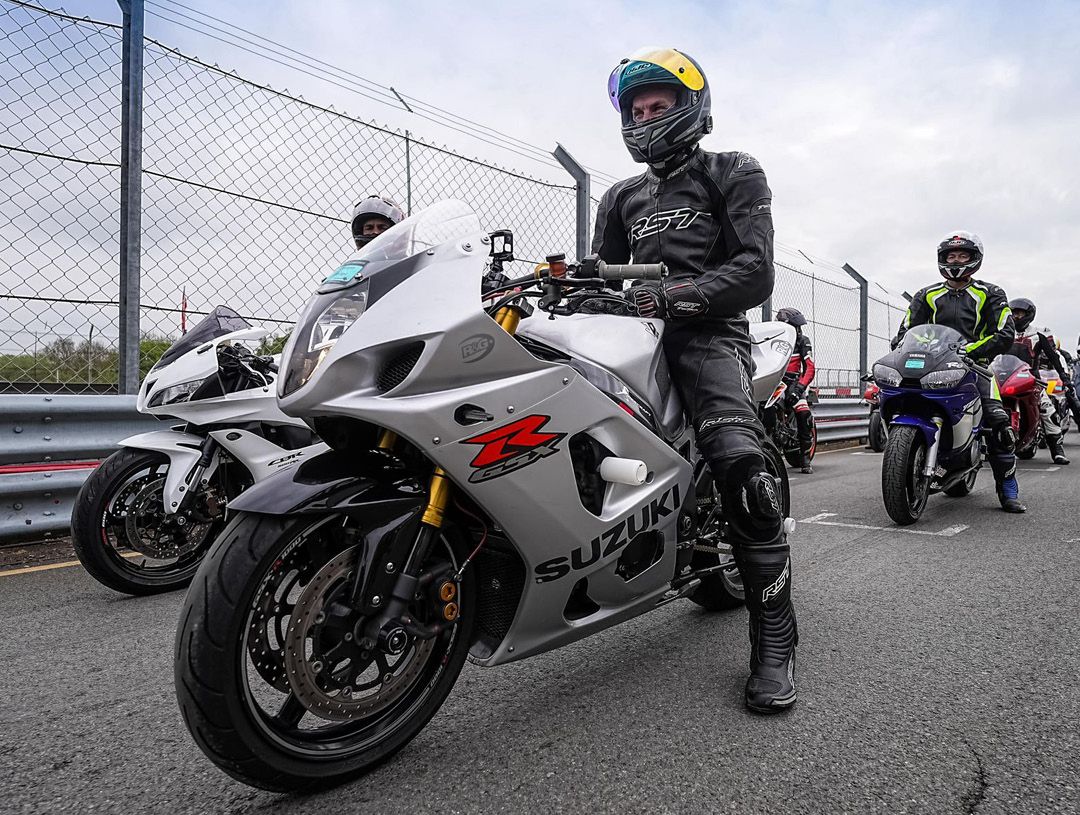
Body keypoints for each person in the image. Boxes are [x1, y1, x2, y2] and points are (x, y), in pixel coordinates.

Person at [593, 47, 795, 712]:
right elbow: (601, 281)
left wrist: (678, 298)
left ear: (692, 107)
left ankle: (775, 639)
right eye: (636, 109)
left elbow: (756, 271)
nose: (646, 117)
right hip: (632, 340)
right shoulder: (621, 196)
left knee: (741, 465)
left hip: (710, 335)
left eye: (659, 105)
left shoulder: (732, 171)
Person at [893, 232, 1024, 512]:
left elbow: (1005, 333)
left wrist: (971, 351)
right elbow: (906, 331)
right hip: (933, 366)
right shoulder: (926, 294)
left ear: (974, 259)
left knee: (998, 423)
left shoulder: (990, 293)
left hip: (975, 367)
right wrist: (900, 349)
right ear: (942, 260)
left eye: (962, 255)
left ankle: (1008, 488)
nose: (956, 260)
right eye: (951, 256)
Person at [1008, 297, 1079, 464]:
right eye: (1013, 313)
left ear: (1029, 314)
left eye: (1019, 313)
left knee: (1047, 410)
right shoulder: (1003, 332)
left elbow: (1054, 358)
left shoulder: (1039, 333)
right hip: (1005, 378)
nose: (1016, 316)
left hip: (1031, 380)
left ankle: (1057, 450)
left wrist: (1065, 379)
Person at [774, 308, 816, 474]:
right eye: (796, 327)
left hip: (793, 382)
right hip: (774, 382)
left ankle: (805, 457)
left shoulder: (803, 341)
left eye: (799, 327)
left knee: (803, 413)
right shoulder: (772, 340)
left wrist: (799, 388)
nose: (799, 331)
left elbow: (810, 368)